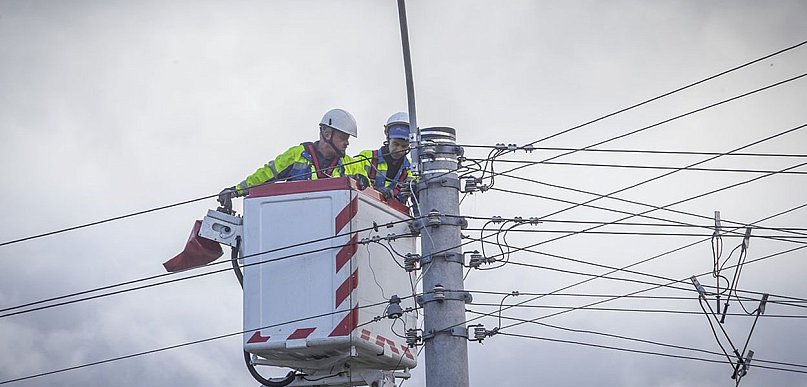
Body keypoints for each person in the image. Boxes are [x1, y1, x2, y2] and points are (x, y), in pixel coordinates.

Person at [218, 108, 368, 209]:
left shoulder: (350, 164)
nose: (346, 143)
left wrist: (363, 181)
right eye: (342, 137)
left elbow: (367, 187)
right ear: (327, 134)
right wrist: (236, 191)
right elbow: (266, 175)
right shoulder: (297, 155)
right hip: (296, 222)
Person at [354, 112, 413, 204]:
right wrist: (374, 190)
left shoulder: (411, 169)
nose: (399, 150)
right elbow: (351, 180)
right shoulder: (366, 158)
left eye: (404, 146)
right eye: (396, 144)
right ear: (387, 137)